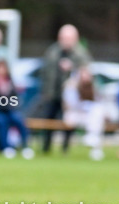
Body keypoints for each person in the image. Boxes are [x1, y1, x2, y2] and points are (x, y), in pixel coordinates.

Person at [39, 24, 92, 154]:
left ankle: (65, 148)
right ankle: (46, 147)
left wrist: (72, 67)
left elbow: (86, 74)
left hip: (70, 96)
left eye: (69, 38)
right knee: (48, 119)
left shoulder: (81, 54)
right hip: (52, 93)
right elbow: (44, 71)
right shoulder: (52, 51)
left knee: (69, 121)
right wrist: (45, 91)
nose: (66, 40)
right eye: (63, 37)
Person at [0, 59, 33, 159]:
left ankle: (25, 146)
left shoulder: (10, 82)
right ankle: (5, 147)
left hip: (8, 110)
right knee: (1, 121)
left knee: (19, 120)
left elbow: (15, 99)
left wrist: (7, 96)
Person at [62, 67, 106, 161]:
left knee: (97, 113)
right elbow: (70, 104)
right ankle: (92, 140)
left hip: (89, 116)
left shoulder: (93, 87)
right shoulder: (72, 86)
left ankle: (93, 143)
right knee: (94, 118)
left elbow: (98, 102)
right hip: (75, 114)